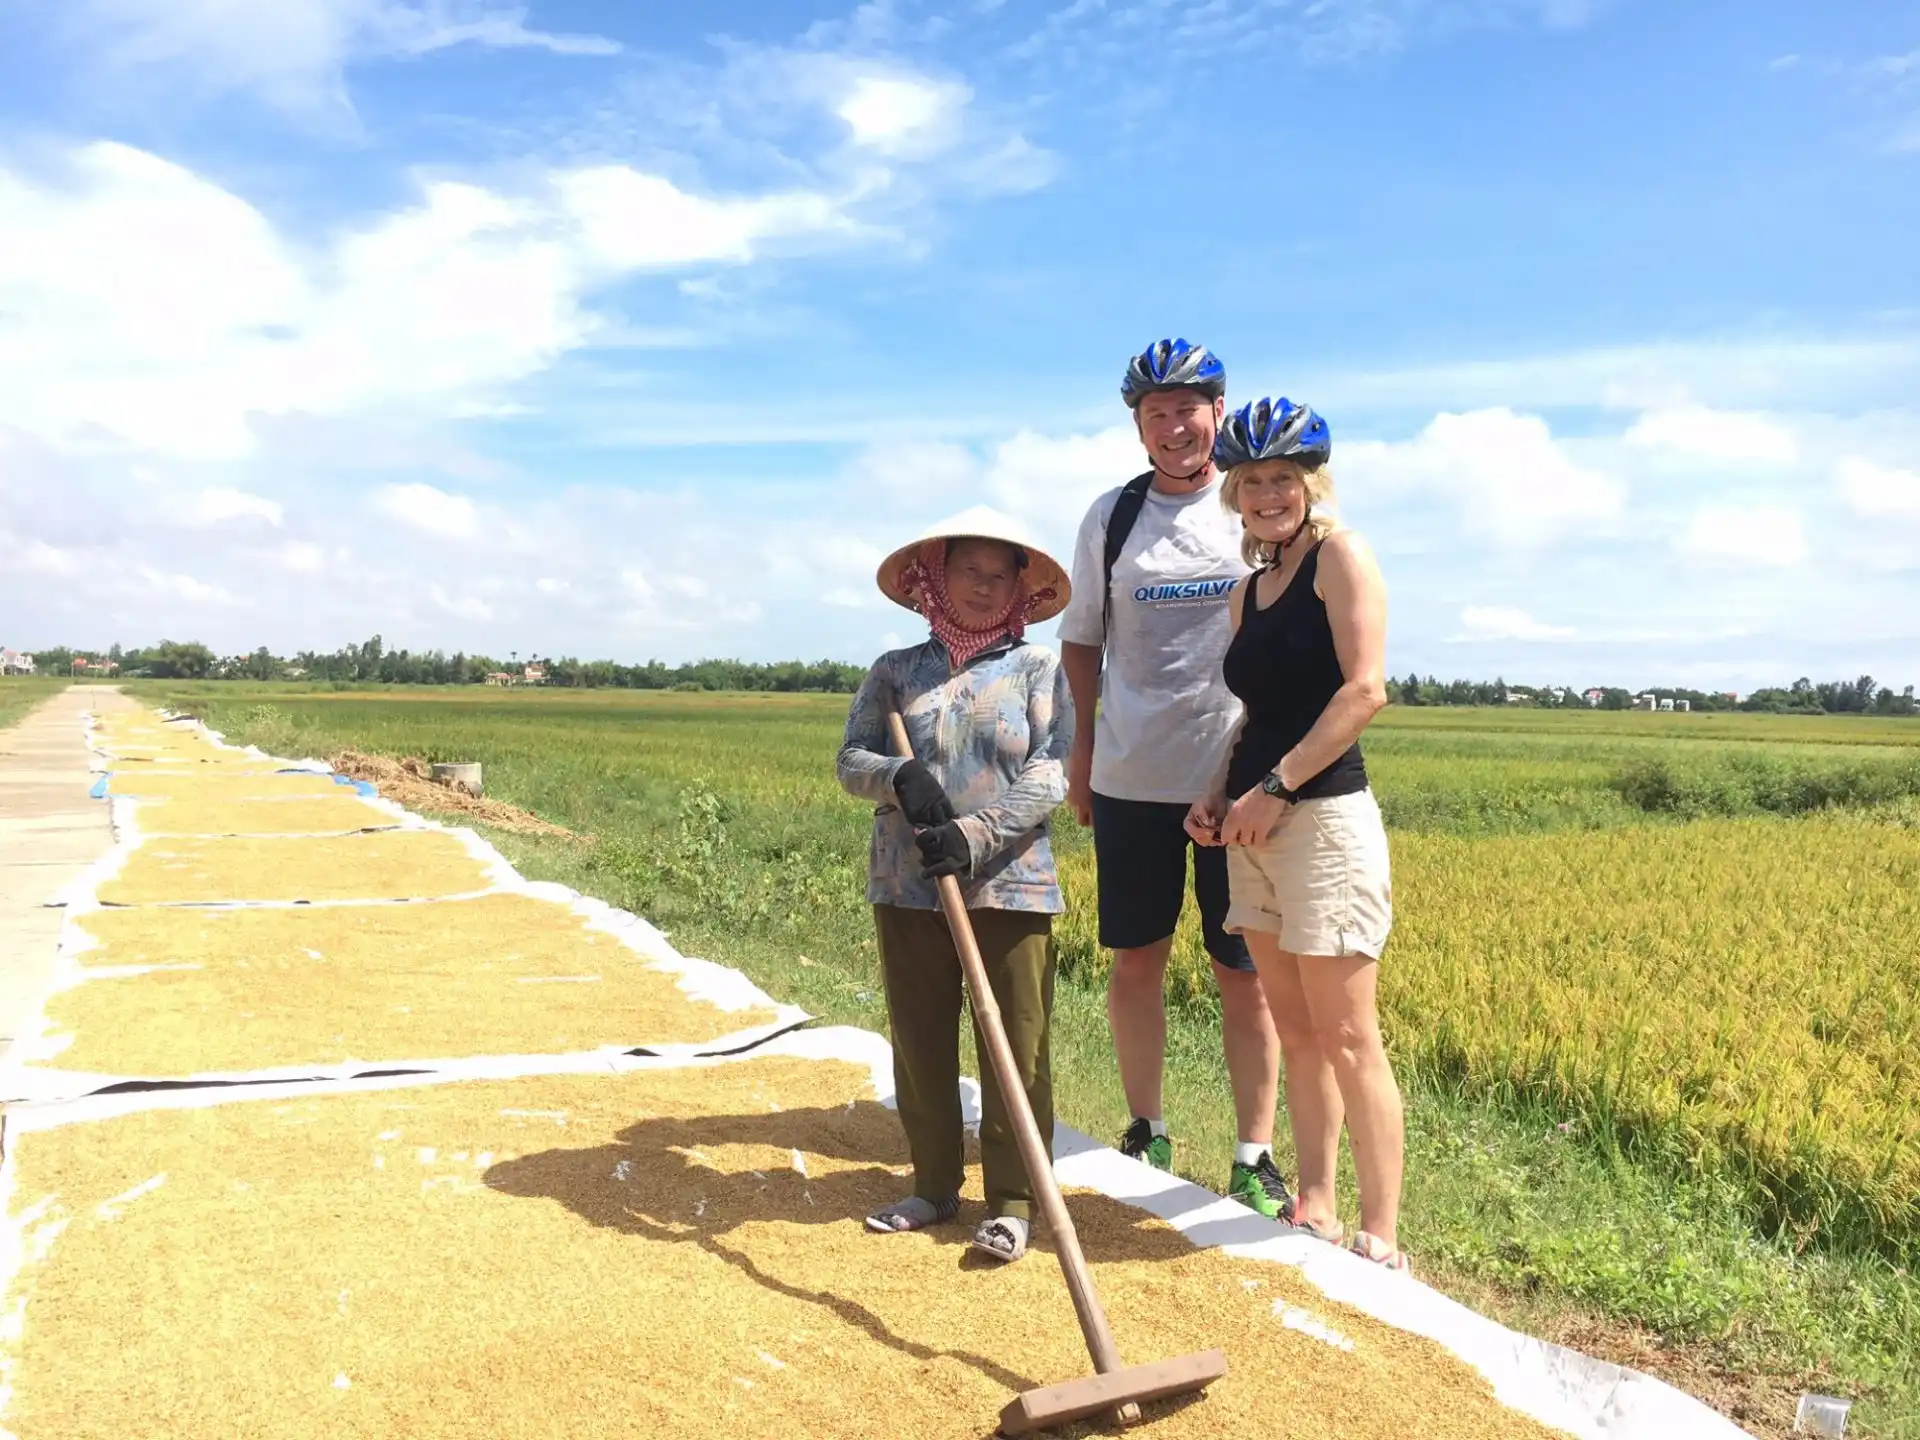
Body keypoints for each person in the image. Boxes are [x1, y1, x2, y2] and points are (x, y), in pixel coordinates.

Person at [1054, 338, 1291, 1220]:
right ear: (1138, 425)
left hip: (1239, 783)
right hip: (1130, 775)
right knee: (1135, 961)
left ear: (1217, 414)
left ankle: (1253, 1153)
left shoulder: (1251, 511)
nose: (1175, 426)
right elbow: (1081, 640)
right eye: (1156, 412)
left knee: (1245, 968)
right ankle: (1145, 1127)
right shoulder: (1112, 518)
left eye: (1189, 408)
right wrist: (1079, 758)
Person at [1185, 395, 1409, 1271]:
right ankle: (1314, 1202)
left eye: (1285, 478)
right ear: (1234, 494)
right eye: (1253, 481)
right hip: (1252, 827)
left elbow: (1364, 692)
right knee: (1298, 1026)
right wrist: (1217, 795)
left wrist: (1275, 789)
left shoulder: (1339, 558)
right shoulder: (1251, 591)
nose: (1269, 494)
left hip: (1322, 825)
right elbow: (1254, 714)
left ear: (1313, 484)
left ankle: (1381, 1234)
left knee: (1351, 1034)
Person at [836, 506, 1075, 1265]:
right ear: (935, 579)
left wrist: (972, 836)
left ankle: (1011, 1200)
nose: (982, 586)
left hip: (1010, 884)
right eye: (967, 571)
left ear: (1018, 588)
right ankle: (933, 1185)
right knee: (920, 1038)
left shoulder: (1039, 671)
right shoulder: (896, 672)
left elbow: (1052, 772)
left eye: (997, 574)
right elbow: (849, 760)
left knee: (1017, 1045)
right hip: (908, 886)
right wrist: (896, 775)